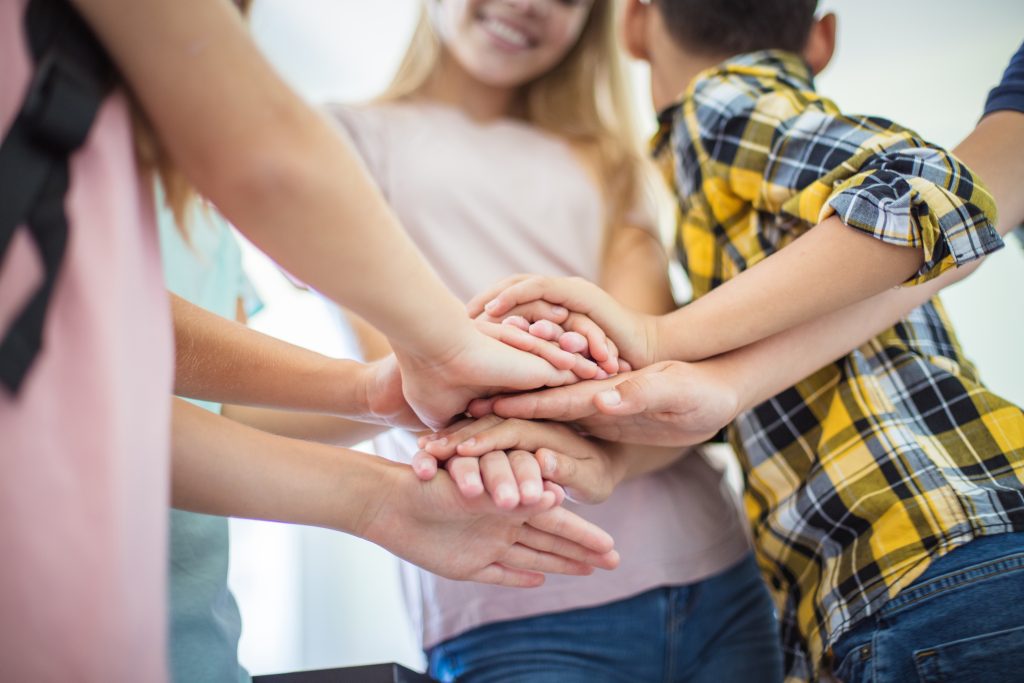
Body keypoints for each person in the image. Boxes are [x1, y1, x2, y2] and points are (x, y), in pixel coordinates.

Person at [0, 0, 619, 680]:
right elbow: (269, 158)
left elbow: (126, 375)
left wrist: (377, 402)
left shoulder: (148, 190)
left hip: (180, 639)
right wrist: (441, 349)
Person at [459, 3, 1024, 681]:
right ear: (822, 38)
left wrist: (658, 333)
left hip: (927, 565)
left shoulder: (721, 103)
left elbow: (939, 189)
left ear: (635, 22)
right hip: (946, 564)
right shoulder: (762, 192)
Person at [329, 1, 780, 681]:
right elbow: (409, 378)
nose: (532, 4)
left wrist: (557, 381)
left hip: (714, 569)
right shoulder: (342, 140)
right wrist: (588, 380)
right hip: (514, 593)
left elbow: (649, 372)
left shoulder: (613, 162)